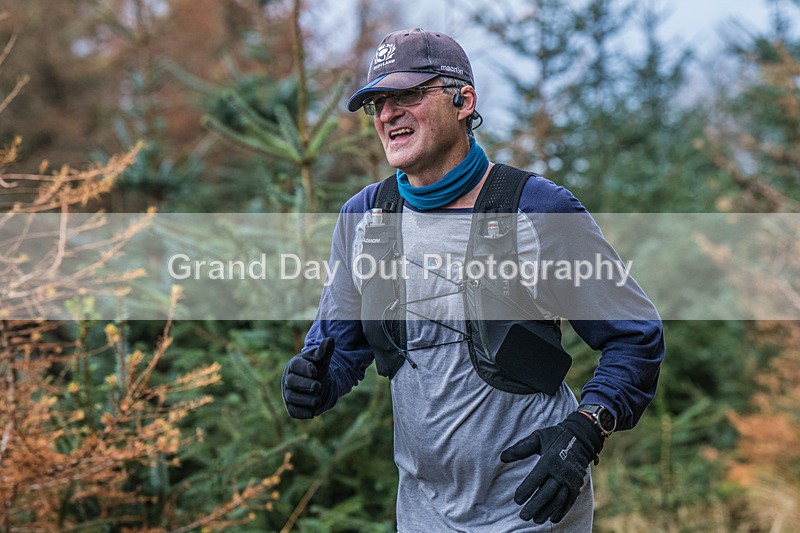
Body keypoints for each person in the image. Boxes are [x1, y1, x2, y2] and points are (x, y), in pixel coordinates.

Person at [282, 28, 664, 532]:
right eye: (377, 102)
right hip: (421, 514)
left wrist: (586, 430)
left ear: (463, 100)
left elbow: (635, 336)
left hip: (532, 508)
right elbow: (340, 350)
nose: (388, 113)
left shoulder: (537, 208)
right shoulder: (365, 217)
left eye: (408, 94)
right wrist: (311, 385)